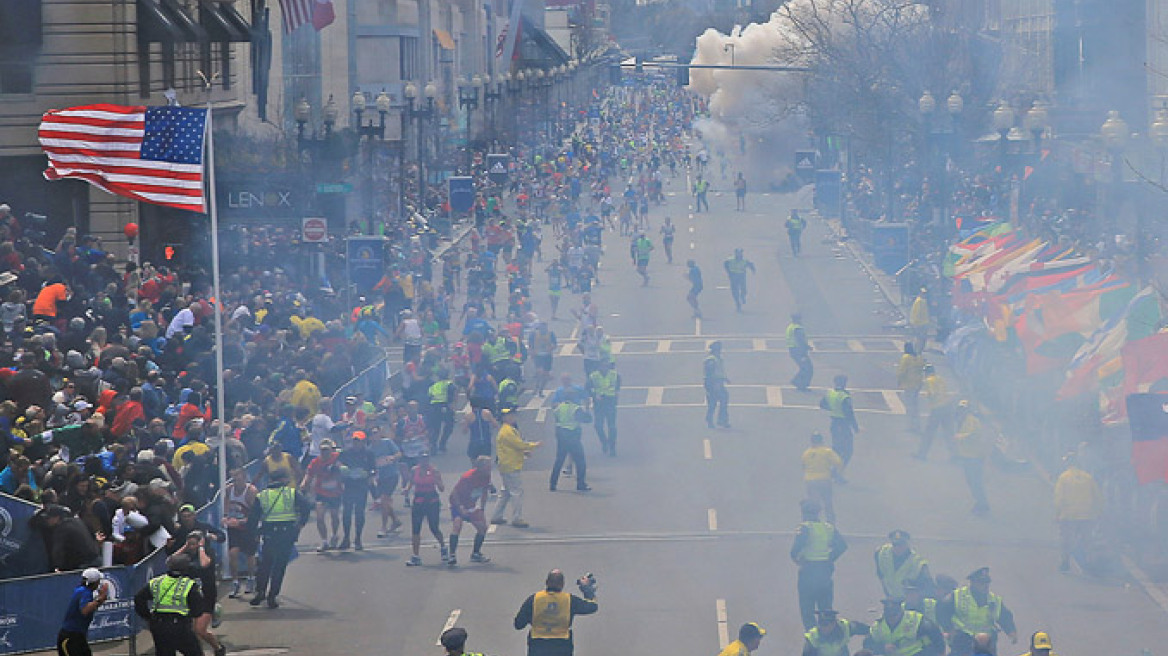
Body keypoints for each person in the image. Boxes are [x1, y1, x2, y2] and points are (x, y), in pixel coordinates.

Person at [248, 468, 311, 609]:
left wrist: (254, 533)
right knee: (279, 566)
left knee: (265, 564)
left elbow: (253, 517)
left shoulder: (262, 495)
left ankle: (260, 591)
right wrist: (300, 524)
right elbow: (306, 507)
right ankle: (272, 595)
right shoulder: (292, 493)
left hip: (269, 534)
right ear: (283, 479)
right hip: (287, 533)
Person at [790, 499, 847, 630]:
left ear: (804, 513)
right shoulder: (828, 528)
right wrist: (830, 558)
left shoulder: (805, 527)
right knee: (825, 608)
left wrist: (797, 559)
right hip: (825, 570)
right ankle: (828, 633)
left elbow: (795, 550)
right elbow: (842, 545)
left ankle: (812, 636)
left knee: (807, 609)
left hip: (809, 571)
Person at [514, 569, 599, 656]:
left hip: (538, 645)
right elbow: (592, 606)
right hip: (562, 646)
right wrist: (586, 589)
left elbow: (518, 624)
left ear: (546, 582)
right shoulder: (569, 600)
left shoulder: (534, 599)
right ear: (562, 584)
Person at [134, 553, 205, 656]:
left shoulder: (157, 581)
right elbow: (197, 610)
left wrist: (148, 617)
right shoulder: (189, 585)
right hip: (180, 626)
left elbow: (139, 598)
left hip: (159, 625)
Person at [938, 567, 1018, 656]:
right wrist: (949, 629)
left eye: (987, 582)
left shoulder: (994, 600)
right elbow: (941, 611)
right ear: (973, 582)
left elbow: (1005, 617)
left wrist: (1011, 631)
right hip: (963, 639)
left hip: (985, 642)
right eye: (981, 582)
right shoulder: (957, 596)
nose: (985, 585)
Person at [1053, 453, 1102, 572]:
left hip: (1068, 515)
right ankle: (1089, 563)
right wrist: (1097, 513)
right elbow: (1097, 497)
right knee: (1087, 541)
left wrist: (1057, 514)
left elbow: (1059, 498)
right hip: (1087, 515)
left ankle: (1065, 563)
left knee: (1066, 540)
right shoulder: (1088, 477)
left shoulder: (1063, 478)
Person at [492, 407, 540, 528]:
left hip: (507, 465)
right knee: (516, 492)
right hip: (510, 465)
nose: (513, 417)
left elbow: (514, 446)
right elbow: (519, 444)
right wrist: (534, 445)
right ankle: (517, 518)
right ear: (504, 418)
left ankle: (496, 516)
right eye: (510, 415)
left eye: (513, 415)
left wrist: (524, 451)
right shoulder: (507, 431)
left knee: (505, 492)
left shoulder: (509, 430)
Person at [447, 456, 494, 566]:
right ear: (480, 467)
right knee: (457, 526)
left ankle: (475, 553)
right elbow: (454, 493)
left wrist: (482, 508)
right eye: (488, 466)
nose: (490, 468)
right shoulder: (468, 477)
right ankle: (452, 555)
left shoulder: (486, 476)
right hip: (459, 504)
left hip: (471, 505)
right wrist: (460, 508)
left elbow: (484, 491)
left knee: (482, 528)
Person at [404, 452, 447, 566]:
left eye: (426, 459)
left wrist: (436, 480)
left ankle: (443, 547)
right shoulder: (414, 470)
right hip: (419, 501)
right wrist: (407, 489)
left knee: (434, 527)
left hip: (432, 501)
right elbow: (411, 482)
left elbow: (442, 488)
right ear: (419, 460)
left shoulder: (434, 471)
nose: (424, 461)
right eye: (422, 459)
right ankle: (416, 556)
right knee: (416, 529)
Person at [865, 597, 945, 656]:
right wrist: (883, 648)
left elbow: (935, 634)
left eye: (894, 615)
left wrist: (940, 653)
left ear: (901, 612)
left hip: (918, 653)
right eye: (889, 616)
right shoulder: (878, 626)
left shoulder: (915, 619)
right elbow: (867, 645)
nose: (891, 619)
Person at [301, 438, 343, 551]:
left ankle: (334, 535)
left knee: (334, 516)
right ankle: (324, 541)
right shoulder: (316, 462)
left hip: (335, 492)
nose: (324, 453)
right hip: (321, 492)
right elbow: (309, 474)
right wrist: (304, 483)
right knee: (320, 517)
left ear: (331, 450)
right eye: (322, 450)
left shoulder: (337, 457)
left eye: (326, 450)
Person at [337, 431, 375, 550]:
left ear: (363, 442)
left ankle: (358, 538)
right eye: (355, 441)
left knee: (359, 512)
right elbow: (338, 463)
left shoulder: (369, 453)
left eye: (359, 441)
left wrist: (368, 474)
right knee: (347, 513)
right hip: (349, 485)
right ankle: (346, 538)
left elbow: (373, 469)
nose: (356, 443)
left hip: (361, 486)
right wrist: (341, 467)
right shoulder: (346, 452)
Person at [58, 568, 109, 656]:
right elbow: (85, 610)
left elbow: (90, 607)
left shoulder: (83, 591)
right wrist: (100, 598)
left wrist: (101, 598)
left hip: (78, 636)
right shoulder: (84, 592)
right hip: (70, 637)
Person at [223, 467, 257, 598]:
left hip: (248, 527)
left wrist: (241, 521)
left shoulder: (251, 491)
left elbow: (255, 513)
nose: (236, 482)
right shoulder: (229, 489)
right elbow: (226, 504)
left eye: (238, 479)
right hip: (234, 527)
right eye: (234, 479)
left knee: (250, 555)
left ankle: (251, 578)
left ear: (244, 477)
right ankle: (235, 582)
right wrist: (225, 517)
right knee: (233, 553)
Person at [550, 389, 591, 492]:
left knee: (559, 460)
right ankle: (580, 484)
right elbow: (587, 419)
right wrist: (587, 410)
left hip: (561, 435)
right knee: (580, 461)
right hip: (572, 435)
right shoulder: (575, 408)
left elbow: (557, 420)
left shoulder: (559, 407)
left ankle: (552, 484)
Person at [953, 400, 990, 515]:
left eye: (963, 409)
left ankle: (982, 504)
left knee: (975, 482)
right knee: (971, 481)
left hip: (974, 457)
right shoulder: (963, 420)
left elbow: (972, 435)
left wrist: (959, 437)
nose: (960, 412)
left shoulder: (972, 421)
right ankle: (980, 503)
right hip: (968, 456)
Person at [875, 530, 933, 600]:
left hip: (909, 601)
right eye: (895, 544)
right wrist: (887, 593)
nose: (897, 548)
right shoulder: (882, 553)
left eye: (901, 545)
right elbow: (880, 574)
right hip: (891, 598)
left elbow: (928, 588)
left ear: (907, 544)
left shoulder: (918, 563)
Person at [820, 375, 858, 480]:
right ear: (844, 383)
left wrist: (833, 408)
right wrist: (855, 428)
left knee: (837, 449)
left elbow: (822, 404)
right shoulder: (844, 396)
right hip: (843, 426)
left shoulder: (830, 393)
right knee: (847, 451)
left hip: (834, 424)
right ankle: (836, 472)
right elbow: (849, 413)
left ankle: (832, 471)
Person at [802, 432, 842, 522]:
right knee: (828, 503)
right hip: (824, 480)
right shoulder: (827, 451)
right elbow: (838, 462)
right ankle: (831, 522)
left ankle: (814, 522)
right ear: (821, 441)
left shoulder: (806, 453)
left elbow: (803, 466)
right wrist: (835, 473)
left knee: (814, 503)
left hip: (810, 482)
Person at [370, 428, 403, 537]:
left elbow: (399, 453)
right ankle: (395, 520)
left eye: (376, 433)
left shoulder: (387, 442)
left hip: (391, 475)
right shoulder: (370, 449)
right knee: (385, 502)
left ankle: (383, 527)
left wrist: (392, 457)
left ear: (380, 433)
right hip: (380, 478)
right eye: (372, 434)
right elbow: (371, 465)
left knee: (384, 499)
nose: (374, 436)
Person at [915, 364, 952, 460]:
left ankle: (922, 454)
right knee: (948, 433)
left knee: (929, 433)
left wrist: (928, 396)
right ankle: (955, 455)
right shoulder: (940, 378)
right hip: (947, 406)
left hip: (937, 408)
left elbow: (933, 393)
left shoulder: (928, 381)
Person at [587, 359, 620, 456]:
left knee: (612, 426)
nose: (605, 368)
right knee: (598, 425)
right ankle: (604, 442)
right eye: (603, 366)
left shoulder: (615, 375)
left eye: (607, 366)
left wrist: (616, 396)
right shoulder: (593, 376)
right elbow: (587, 388)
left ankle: (612, 448)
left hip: (610, 402)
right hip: (599, 403)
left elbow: (617, 387)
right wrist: (594, 395)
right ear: (599, 367)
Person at [803, 610, 868, 656]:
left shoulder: (844, 627)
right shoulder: (813, 637)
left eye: (825, 624)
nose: (822, 627)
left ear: (833, 623)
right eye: (820, 623)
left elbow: (861, 628)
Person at [896, 343, 925, 432]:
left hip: (909, 384)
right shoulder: (919, 358)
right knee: (915, 406)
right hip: (917, 384)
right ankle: (917, 425)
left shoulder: (906, 358)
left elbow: (901, 371)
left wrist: (899, 381)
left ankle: (911, 426)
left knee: (910, 406)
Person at [427, 370, 457, 454]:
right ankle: (442, 444)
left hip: (434, 407)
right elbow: (453, 395)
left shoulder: (433, 386)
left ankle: (433, 446)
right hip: (445, 406)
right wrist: (453, 407)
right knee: (449, 426)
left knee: (435, 428)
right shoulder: (449, 384)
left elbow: (429, 396)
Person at [704, 341, 731, 429]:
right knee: (713, 402)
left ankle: (721, 420)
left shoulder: (718, 358)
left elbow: (719, 371)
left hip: (718, 382)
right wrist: (714, 385)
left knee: (723, 398)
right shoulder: (711, 360)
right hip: (713, 383)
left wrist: (724, 379)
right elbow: (710, 373)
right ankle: (713, 420)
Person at [787, 313, 813, 390]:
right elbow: (800, 340)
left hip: (793, 350)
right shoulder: (797, 328)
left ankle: (798, 383)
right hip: (799, 351)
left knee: (804, 367)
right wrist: (806, 349)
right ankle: (800, 384)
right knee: (807, 368)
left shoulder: (791, 326)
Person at [909, 289, 930, 354]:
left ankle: (918, 349)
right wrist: (915, 323)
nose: (924, 294)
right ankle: (918, 350)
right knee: (920, 337)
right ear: (920, 293)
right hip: (920, 323)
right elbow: (917, 312)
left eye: (925, 293)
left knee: (921, 337)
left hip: (923, 322)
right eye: (923, 293)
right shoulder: (919, 301)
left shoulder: (922, 301)